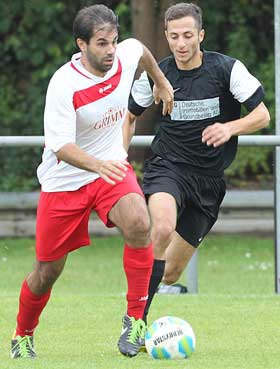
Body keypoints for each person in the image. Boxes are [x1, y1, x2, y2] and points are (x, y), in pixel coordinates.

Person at [11, 4, 174, 359]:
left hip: (110, 169)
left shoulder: (124, 55)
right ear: (81, 44)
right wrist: (97, 165)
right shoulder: (63, 84)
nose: (111, 50)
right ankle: (22, 334)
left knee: (138, 220)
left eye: (113, 41)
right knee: (47, 271)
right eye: (101, 43)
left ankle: (135, 320)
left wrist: (160, 82)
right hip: (64, 181)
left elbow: (141, 50)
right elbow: (61, 146)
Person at [123, 2, 270, 327]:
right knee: (160, 228)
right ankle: (135, 325)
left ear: (200, 35)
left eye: (188, 35)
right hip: (168, 168)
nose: (181, 43)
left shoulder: (226, 70)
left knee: (172, 273)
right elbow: (129, 116)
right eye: (174, 36)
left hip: (208, 182)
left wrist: (229, 127)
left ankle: (140, 296)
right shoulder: (157, 75)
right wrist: (120, 159)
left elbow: (263, 115)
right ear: (166, 36)